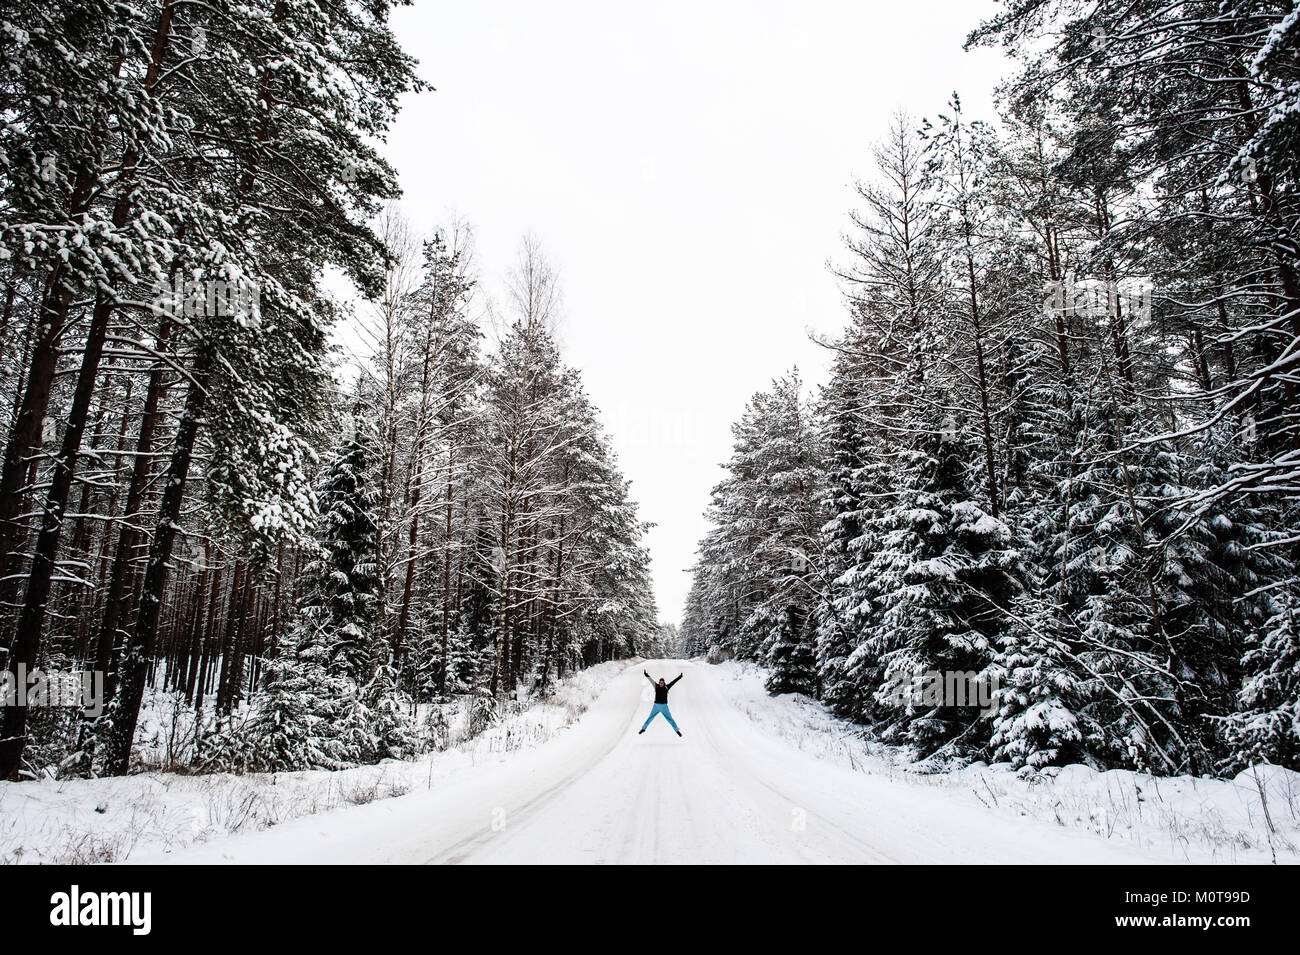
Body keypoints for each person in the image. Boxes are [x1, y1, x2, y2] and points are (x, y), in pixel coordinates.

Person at [639, 670, 683, 736]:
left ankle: (677, 730)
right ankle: (643, 728)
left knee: (670, 719)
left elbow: (673, 682)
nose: (661, 683)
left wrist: (680, 677)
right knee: (650, 717)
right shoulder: (656, 686)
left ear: (664, 683)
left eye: (662, 683)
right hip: (656, 706)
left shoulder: (667, 687)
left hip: (664, 707)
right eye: (660, 682)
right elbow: (651, 680)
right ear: (659, 683)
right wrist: (646, 674)